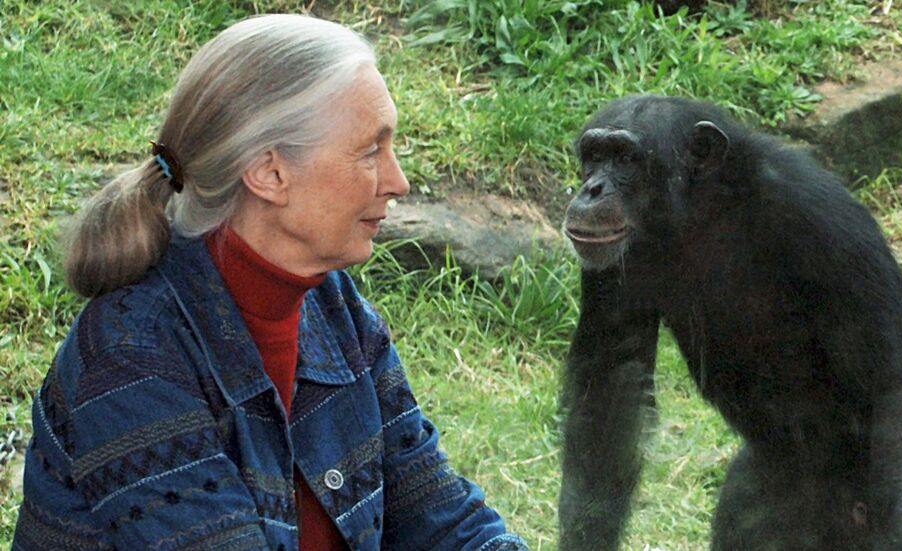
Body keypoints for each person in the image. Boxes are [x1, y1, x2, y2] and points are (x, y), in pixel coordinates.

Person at [13, 14, 527, 551]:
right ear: (269, 173)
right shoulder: (133, 355)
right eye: (370, 152)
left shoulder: (332, 308)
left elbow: (443, 520)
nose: (398, 181)